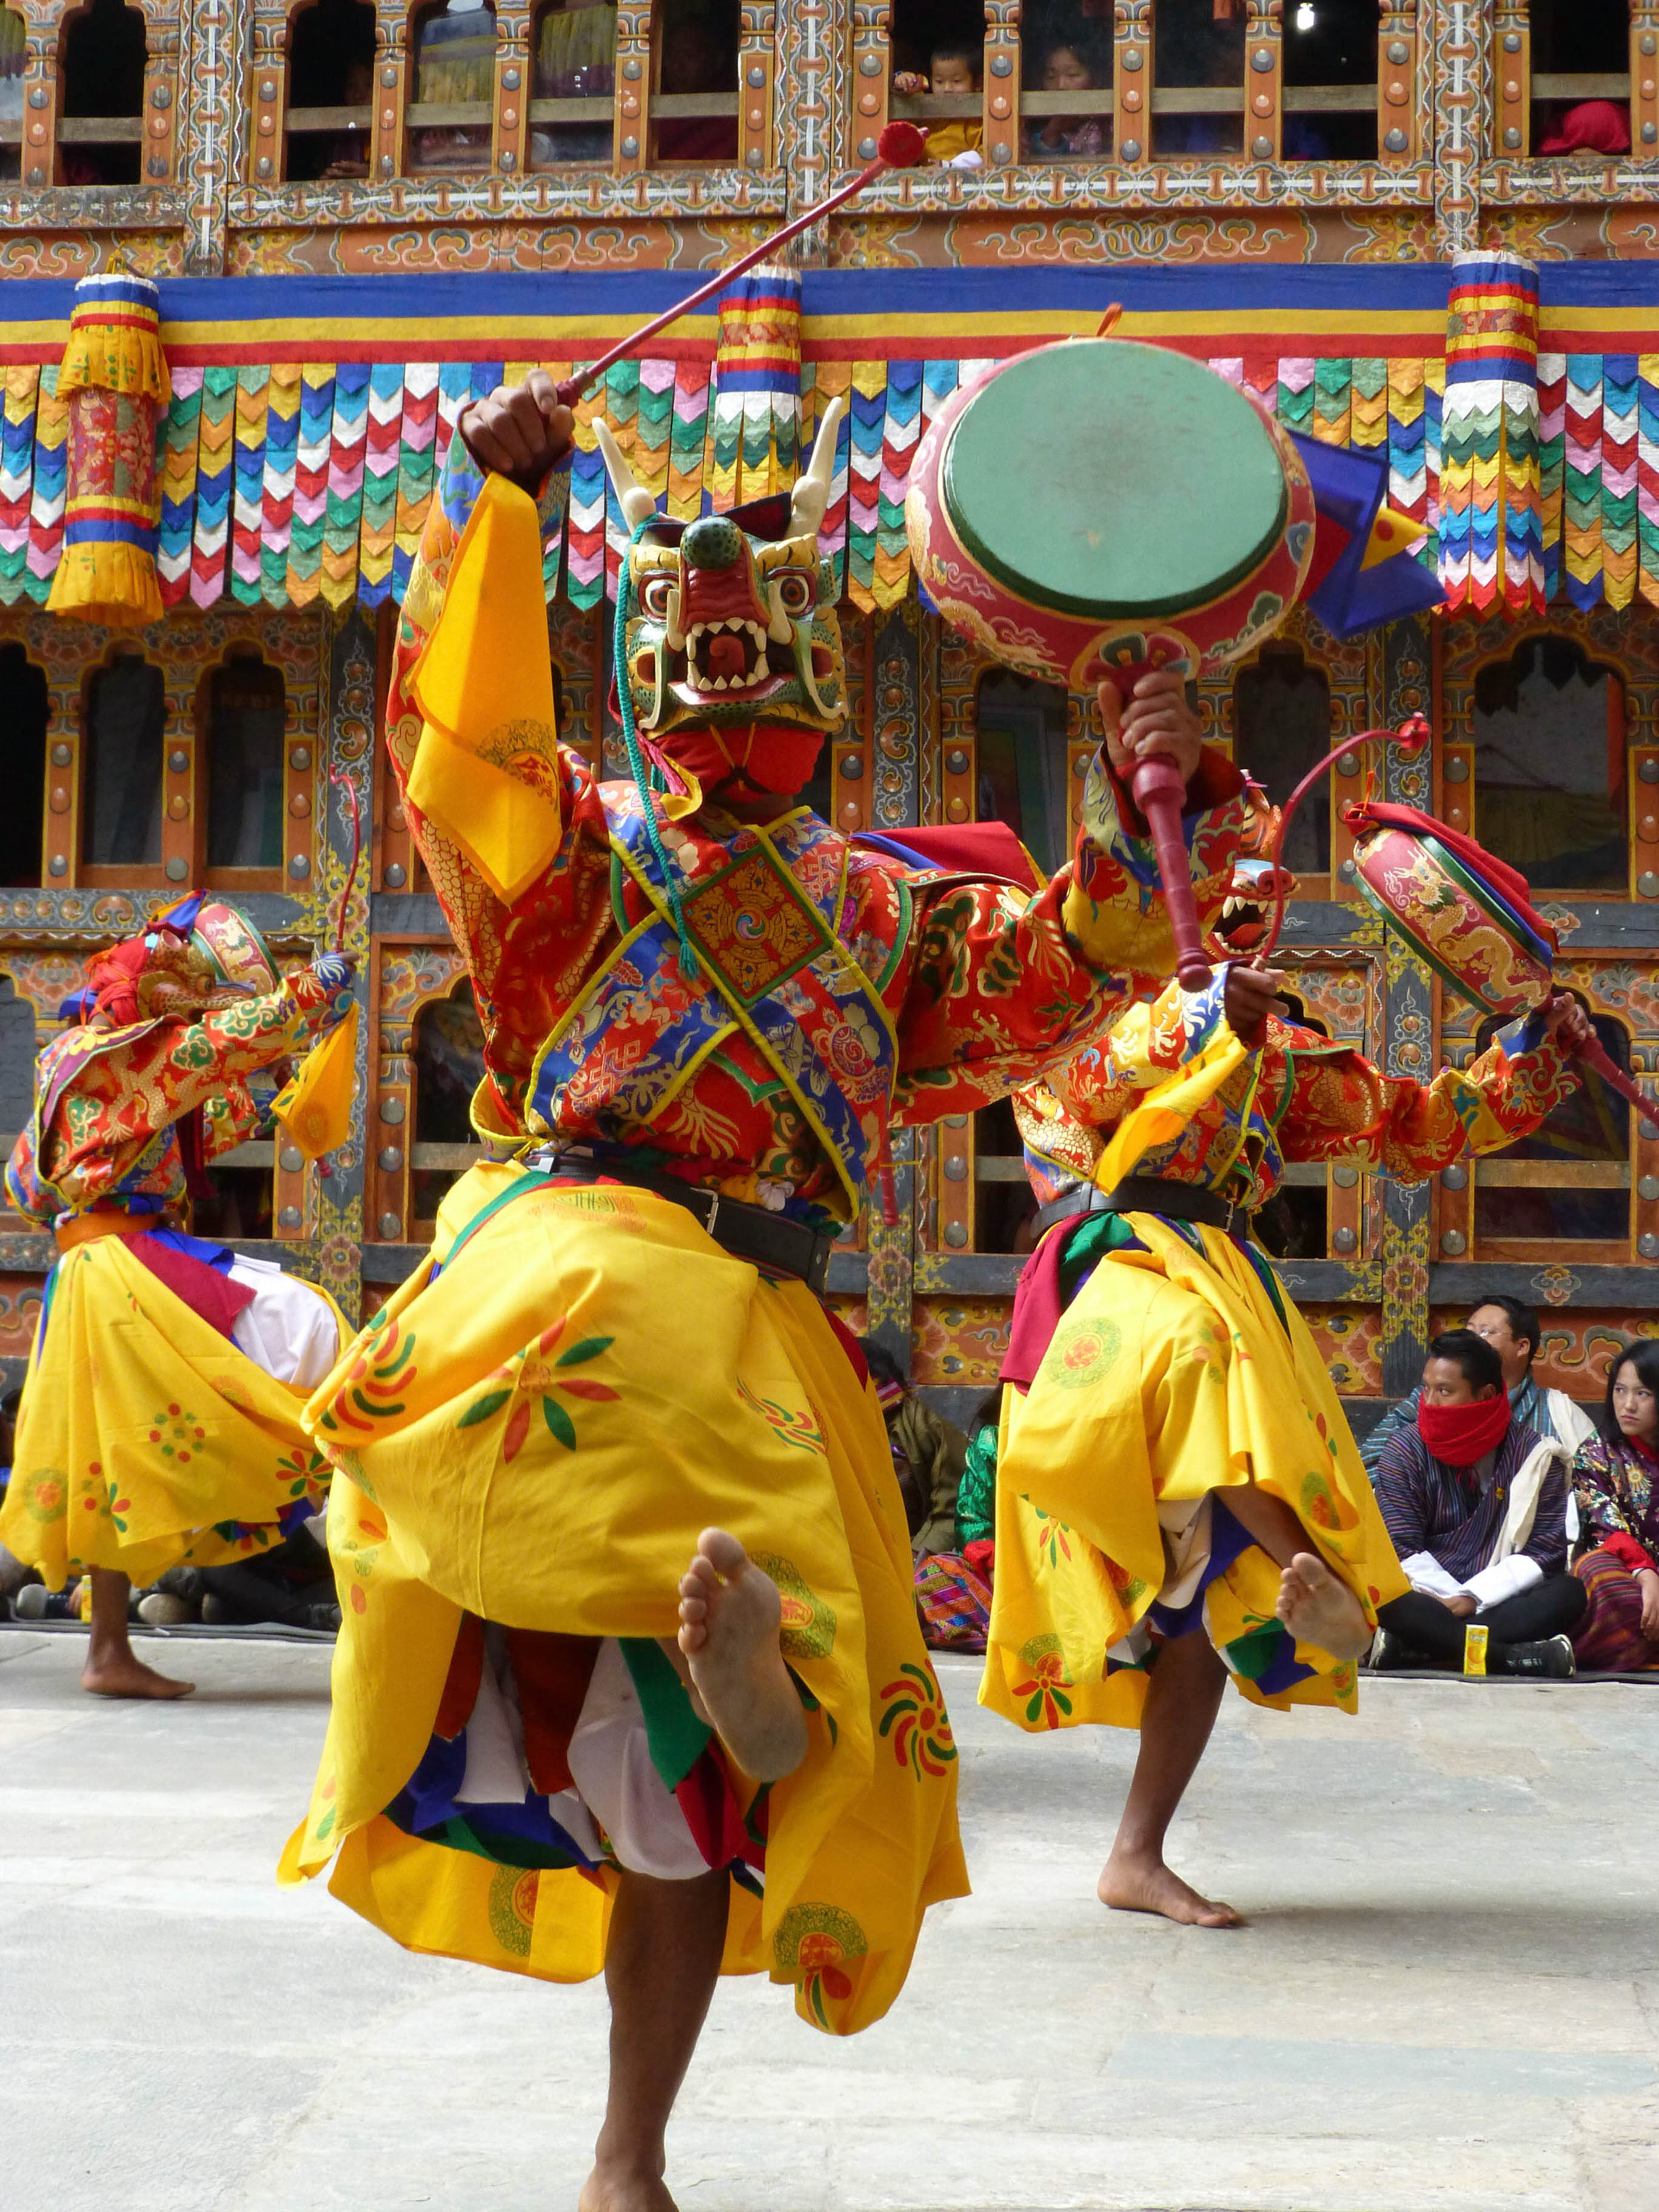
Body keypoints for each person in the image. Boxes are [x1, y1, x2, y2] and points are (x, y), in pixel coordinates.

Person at [278, 364, 1250, 2211]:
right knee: (705, 1716)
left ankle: (649, 2084)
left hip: (566, 1284)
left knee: (470, 1570)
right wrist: (1148, 812)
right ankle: (765, 1753)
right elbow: (1065, 975)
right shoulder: (860, 904)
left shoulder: (591, 858)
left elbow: (457, 749)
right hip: (741, 1314)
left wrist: (494, 517)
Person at [983, 893, 1591, 1926]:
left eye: (1253, 911)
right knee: (1204, 1371)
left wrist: (1531, 1049)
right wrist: (1205, 1008)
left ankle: (1136, 1853)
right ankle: (1364, 1599)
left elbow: (1412, 1121)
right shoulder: (1092, 1005)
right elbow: (1073, 1080)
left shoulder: (1281, 1051)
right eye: (1219, 898)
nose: (1239, 923)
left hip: (1223, 1271)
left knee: (1200, 1607)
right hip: (1117, 1262)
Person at [0, 897, 353, 1698]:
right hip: (126, 1266)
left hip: (84, 1269)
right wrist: (315, 990)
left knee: (114, 1462)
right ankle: (361, 1543)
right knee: (311, 1327)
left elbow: (30, 1182)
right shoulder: (141, 1052)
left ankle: (107, 1652)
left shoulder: (74, 1060)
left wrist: (266, 1091)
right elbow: (219, 1047)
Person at [1372, 1330, 1585, 1677]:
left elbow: (1544, 1554)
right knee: (1386, 1599)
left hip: (1496, 1602)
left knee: (1568, 1593)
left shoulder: (1538, 1456)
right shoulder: (1404, 1451)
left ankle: (1423, 1648)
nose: (1430, 1403)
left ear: (1485, 1395)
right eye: (1426, 1389)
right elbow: (1400, 1549)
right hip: (1425, 1598)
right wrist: (1448, 1600)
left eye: (1444, 1391)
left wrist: (1472, 1598)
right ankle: (1509, 1658)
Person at [1361, 1294, 1599, 1478]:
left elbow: (1593, 1487)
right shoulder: (1428, 1401)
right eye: (1471, 1330)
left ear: (1522, 1346)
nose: (1474, 1339)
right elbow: (1369, 1464)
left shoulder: (1561, 1414)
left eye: (1486, 1332)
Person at [1570, 1338, 1659, 1672]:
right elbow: (1602, 1528)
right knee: (1595, 1572)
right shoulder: (1597, 1452)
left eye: (1643, 1394)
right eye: (1620, 1391)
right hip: (1629, 1582)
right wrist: (1647, 1576)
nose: (1628, 1405)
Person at [892, 44, 984, 169]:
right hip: (922, 179)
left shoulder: (978, 123)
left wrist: (949, 166)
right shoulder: (925, 111)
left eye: (956, 81)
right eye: (939, 82)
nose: (947, 89)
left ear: (978, 84)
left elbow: (984, 155)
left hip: (962, 179)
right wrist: (902, 81)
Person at [1024, 37, 1108, 161]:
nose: (1061, 86)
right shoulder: (1030, 129)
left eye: (1072, 74)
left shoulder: (1108, 127)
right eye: (1051, 77)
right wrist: (1053, 131)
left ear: (1095, 80)